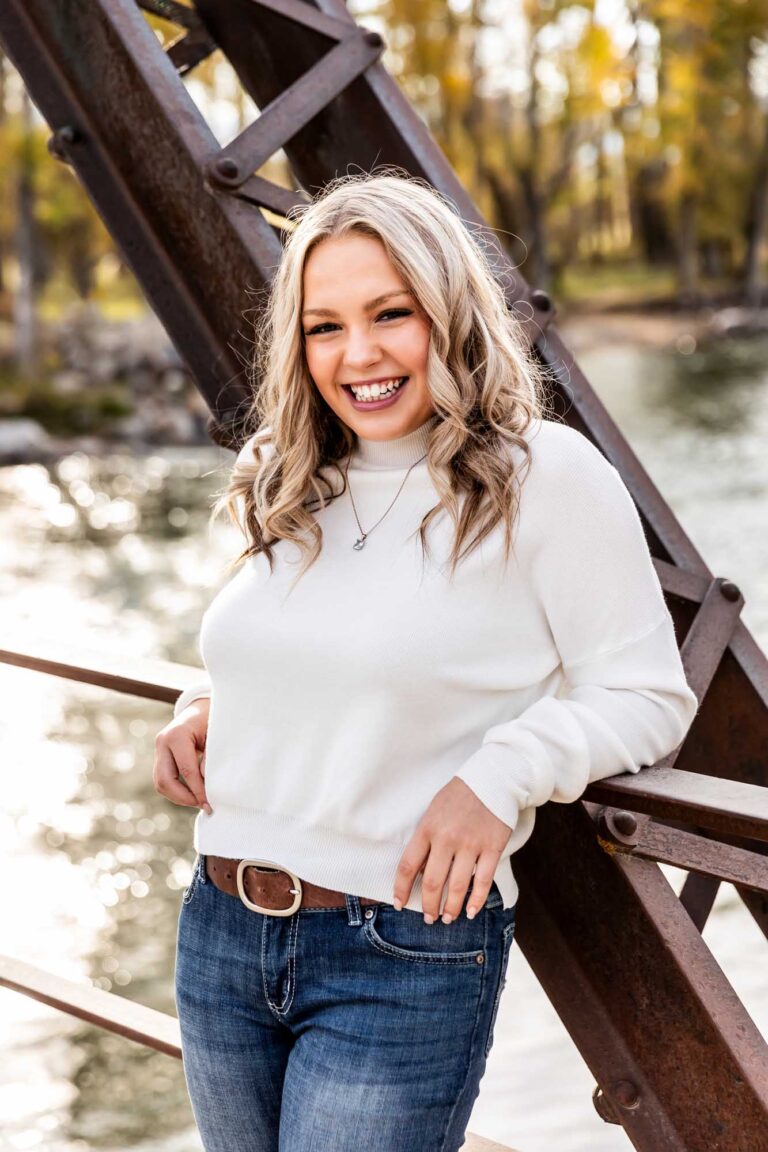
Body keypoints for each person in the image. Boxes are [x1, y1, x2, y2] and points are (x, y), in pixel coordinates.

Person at [153, 170, 698, 1152]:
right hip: (221, 930)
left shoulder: (547, 477)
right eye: (324, 326)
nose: (357, 354)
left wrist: (501, 776)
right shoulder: (280, 471)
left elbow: (649, 694)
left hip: (397, 950)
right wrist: (210, 701)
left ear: (449, 312)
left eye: (390, 314)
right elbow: (282, 639)